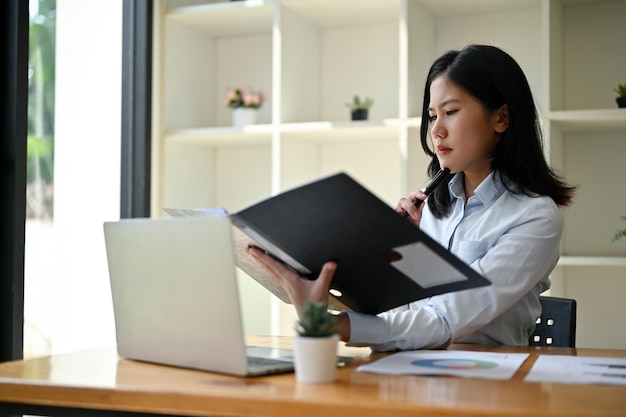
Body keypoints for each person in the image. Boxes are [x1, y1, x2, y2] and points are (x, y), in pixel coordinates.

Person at [246, 44, 576, 351]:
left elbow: (447, 315)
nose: (437, 130)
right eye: (432, 116)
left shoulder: (536, 217)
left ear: (501, 118)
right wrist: (393, 252)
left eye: (451, 111)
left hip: (490, 382)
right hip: (413, 367)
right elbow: (412, 311)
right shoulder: (433, 208)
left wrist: (334, 326)